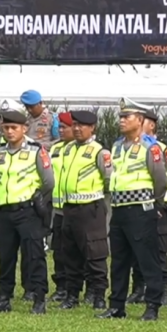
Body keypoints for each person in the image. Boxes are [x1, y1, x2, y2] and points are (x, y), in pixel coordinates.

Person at [98, 99, 167, 321]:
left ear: (139, 121)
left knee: (147, 259)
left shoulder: (151, 147)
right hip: (119, 209)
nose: (121, 121)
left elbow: (160, 179)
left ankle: (152, 305)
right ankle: (116, 305)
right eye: (120, 117)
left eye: (126, 117)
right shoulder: (117, 146)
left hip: (141, 208)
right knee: (119, 260)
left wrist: (155, 204)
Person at [0, 108, 54, 315]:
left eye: (14, 127)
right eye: (5, 128)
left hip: (28, 211)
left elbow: (48, 181)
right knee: (5, 257)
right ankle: (3, 298)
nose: (9, 131)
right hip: (6, 211)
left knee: (34, 255)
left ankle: (39, 299)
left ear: (24, 128)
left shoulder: (36, 150)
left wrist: (38, 199)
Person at [57, 110, 111, 310]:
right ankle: (72, 295)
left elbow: (108, 179)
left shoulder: (99, 151)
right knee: (70, 253)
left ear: (92, 128)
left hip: (91, 207)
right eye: (75, 125)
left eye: (82, 126)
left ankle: (98, 295)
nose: (77, 129)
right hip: (69, 207)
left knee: (94, 251)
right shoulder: (68, 148)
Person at [136, 108, 167, 307]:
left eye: (141, 120)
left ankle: (163, 291)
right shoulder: (127, 147)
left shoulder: (162, 149)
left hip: (157, 205)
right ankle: (138, 289)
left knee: (159, 249)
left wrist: (159, 199)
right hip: (134, 204)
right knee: (136, 248)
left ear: (151, 125)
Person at [48, 111, 75, 303]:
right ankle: (61, 286)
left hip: (79, 207)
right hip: (58, 208)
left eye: (65, 127)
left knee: (80, 250)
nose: (61, 130)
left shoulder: (83, 149)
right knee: (59, 250)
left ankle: (86, 288)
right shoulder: (54, 149)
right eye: (60, 127)